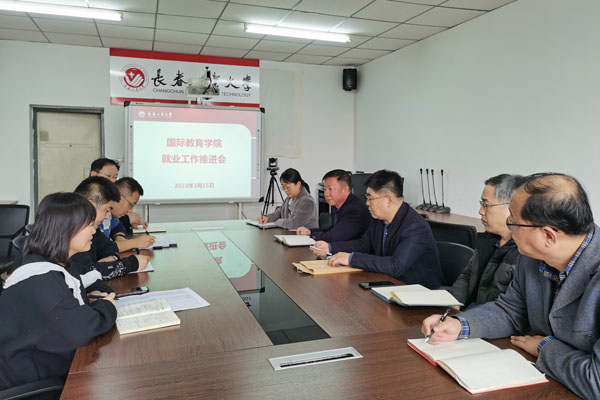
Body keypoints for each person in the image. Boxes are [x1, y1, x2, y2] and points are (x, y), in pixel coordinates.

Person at [421, 173, 600, 399]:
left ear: (548, 235)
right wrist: (460, 325)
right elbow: (510, 310)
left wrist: (544, 347)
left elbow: (596, 381)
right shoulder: (532, 256)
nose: (509, 230)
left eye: (512, 223)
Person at [0, 192, 117, 390]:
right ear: (67, 229)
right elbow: (81, 330)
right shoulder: (44, 280)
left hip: (36, 365)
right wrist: (107, 306)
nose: (94, 231)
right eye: (89, 225)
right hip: (30, 383)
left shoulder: (53, 263)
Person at [310, 169, 442, 288]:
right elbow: (363, 245)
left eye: (370, 198)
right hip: (387, 284)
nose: (367, 203)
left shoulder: (415, 227)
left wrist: (351, 259)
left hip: (418, 292)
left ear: (389, 200)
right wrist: (330, 247)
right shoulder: (378, 219)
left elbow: (395, 265)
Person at [448, 174, 522, 307]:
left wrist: (466, 317)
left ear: (511, 207)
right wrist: (454, 302)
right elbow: (467, 276)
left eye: (486, 205)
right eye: (481, 204)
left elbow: (508, 309)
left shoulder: (524, 252)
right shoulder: (488, 239)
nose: (480, 211)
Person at [71, 176, 148, 284]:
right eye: (106, 210)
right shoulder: (71, 230)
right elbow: (87, 272)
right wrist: (131, 263)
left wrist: (111, 257)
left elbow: (109, 246)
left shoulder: (91, 227)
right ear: (91, 205)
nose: (108, 216)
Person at [296, 169, 371, 242]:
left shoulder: (354, 209)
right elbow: (334, 229)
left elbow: (335, 237)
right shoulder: (337, 204)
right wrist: (310, 231)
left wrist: (311, 235)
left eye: (330, 189)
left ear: (345, 189)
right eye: (325, 189)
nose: (326, 194)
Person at [89, 157, 148, 232]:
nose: (113, 181)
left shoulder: (107, 201)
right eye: (109, 176)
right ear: (94, 175)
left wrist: (119, 235)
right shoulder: (87, 203)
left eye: (115, 177)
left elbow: (116, 226)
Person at [110, 177, 155, 252]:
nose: (130, 210)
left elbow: (117, 226)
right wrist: (135, 242)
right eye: (131, 204)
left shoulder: (111, 216)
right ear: (118, 196)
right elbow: (103, 248)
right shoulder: (99, 216)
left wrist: (119, 236)